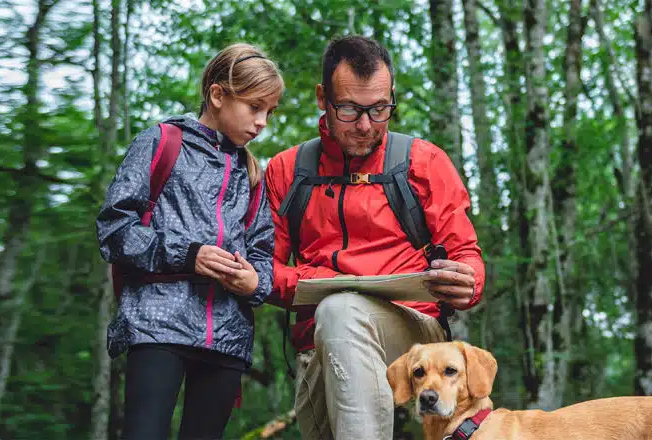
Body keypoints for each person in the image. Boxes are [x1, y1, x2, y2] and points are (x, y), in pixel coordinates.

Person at [263, 35, 486, 439]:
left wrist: (467, 281)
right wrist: (316, 281)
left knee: (340, 311)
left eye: (380, 109)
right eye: (349, 109)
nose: (366, 125)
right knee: (336, 313)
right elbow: (265, 272)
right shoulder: (287, 172)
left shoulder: (423, 162)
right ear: (322, 97)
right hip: (320, 342)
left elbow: (466, 255)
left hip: (416, 334)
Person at [96, 43, 282, 440]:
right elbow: (115, 229)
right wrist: (189, 254)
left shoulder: (252, 175)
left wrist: (255, 283)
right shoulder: (162, 142)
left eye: (270, 111)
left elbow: (264, 252)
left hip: (229, 338)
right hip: (157, 327)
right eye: (254, 107)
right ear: (218, 95)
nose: (263, 121)